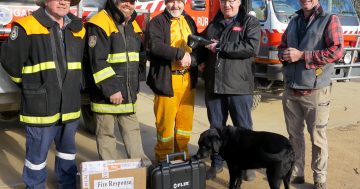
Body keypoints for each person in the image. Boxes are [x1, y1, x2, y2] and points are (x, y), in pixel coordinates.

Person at [0, 0, 84, 188]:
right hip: (40, 107)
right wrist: (31, 85)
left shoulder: (79, 28)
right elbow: (9, 62)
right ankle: (35, 186)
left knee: (67, 153)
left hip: (69, 107)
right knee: (36, 159)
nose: (63, 2)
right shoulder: (27, 27)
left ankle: (67, 184)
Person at [277, 0, 344, 188]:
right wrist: (283, 54)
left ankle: (319, 178)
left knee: (318, 137)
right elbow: (282, 46)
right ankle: (297, 173)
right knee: (294, 136)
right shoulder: (294, 20)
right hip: (291, 90)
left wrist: (303, 56)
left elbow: (337, 51)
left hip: (315, 91)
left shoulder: (329, 19)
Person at [199, 0, 261, 180]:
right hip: (214, 86)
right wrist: (198, 60)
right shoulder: (213, 24)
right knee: (216, 128)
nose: (227, 4)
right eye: (224, 1)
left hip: (239, 87)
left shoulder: (249, 22)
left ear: (239, 2)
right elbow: (203, 48)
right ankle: (217, 163)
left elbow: (250, 47)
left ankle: (247, 165)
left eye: (232, 0)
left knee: (243, 128)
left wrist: (220, 46)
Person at [84, 0, 151, 166]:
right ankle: (110, 174)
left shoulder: (133, 25)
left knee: (133, 132)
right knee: (106, 135)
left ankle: (143, 170)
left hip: (128, 93)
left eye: (132, 1)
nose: (128, 4)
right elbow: (97, 61)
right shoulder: (99, 22)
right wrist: (112, 89)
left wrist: (134, 85)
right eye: (123, 0)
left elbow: (138, 58)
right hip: (106, 95)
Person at [145, 0, 199, 161]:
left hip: (188, 80)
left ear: (184, 3)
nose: (175, 6)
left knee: (184, 127)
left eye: (179, 2)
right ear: (165, 3)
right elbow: (154, 45)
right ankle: (163, 161)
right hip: (167, 81)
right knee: (165, 127)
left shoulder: (189, 20)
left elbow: (197, 46)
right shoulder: (157, 22)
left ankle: (182, 159)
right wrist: (180, 54)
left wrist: (194, 59)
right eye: (171, 2)